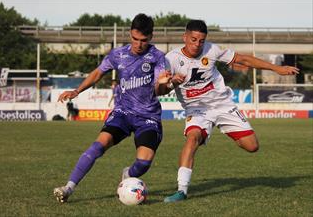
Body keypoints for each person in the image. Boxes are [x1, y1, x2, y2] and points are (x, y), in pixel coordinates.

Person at [162, 20, 300, 202]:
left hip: (222, 105)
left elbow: (243, 59)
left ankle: (225, 128)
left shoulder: (212, 50)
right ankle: (182, 190)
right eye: (193, 39)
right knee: (193, 137)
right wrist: (172, 82)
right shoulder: (170, 59)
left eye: (201, 41)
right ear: (185, 37)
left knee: (252, 146)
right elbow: (161, 90)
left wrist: (277, 68)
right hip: (196, 109)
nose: (197, 44)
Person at [53, 13, 171, 203]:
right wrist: (77, 91)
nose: (138, 43)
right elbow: (98, 72)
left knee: (144, 162)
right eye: (134, 38)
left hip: (148, 117)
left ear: (150, 37)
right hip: (122, 113)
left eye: (143, 40)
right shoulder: (118, 54)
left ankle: (128, 173)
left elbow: (160, 89)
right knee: (99, 145)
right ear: (129, 34)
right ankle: (68, 188)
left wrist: (165, 84)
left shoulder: (157, 57)